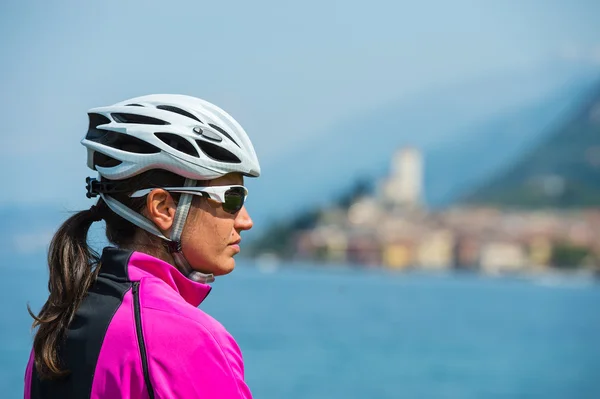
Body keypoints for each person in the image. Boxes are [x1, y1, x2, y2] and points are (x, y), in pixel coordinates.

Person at [24, 94, 261, 398]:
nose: (245, 220)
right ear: (163, 208)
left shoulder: (57, 323)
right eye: (232, 198)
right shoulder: (189, 337)